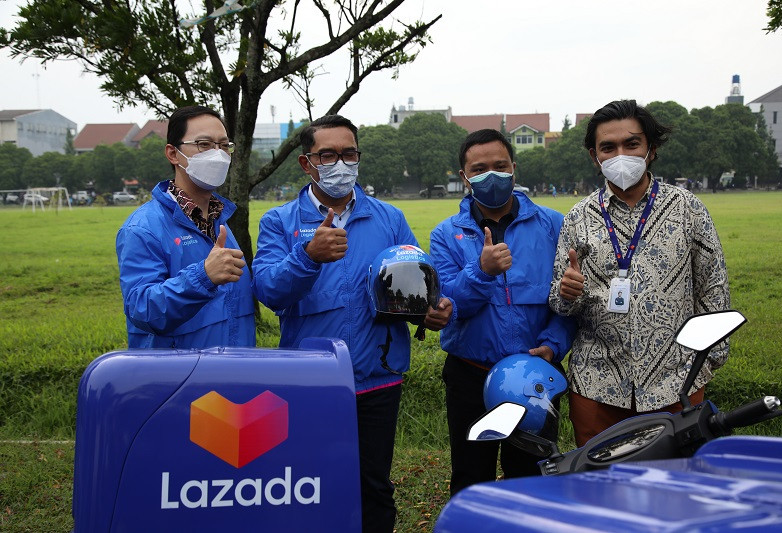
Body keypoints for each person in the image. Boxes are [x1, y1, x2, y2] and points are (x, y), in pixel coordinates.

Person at [251, 114, 453, 533]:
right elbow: (268, 291)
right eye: (328, 154)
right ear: (307, 163)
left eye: (348, 153)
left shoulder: (389, 218)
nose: (340, 163)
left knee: (373, 485)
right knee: (309, 484)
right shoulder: (280, 222)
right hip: (310, 383)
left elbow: (414, 282)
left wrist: (432, 310)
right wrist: (306, 256)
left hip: (377, 377)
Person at [549, 100, 731, 447]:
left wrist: (709, 359)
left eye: (631, 144)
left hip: (676, 382)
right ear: (594, 156)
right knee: (603, 488)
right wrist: (566, 292)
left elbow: (714, 286)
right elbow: (560, 304)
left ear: (650, 149)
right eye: (609, 147)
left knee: (672, 488)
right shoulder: (577, 218)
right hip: (597, 385)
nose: (621, 154)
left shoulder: (687, 209)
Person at [429, 129, 576, 496]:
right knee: (470, 476)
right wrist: (481, 272)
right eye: (479, 169)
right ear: (465, 177)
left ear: (514, 168)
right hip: (470, 375)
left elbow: (567, 301)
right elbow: (449, 305)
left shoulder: (553, 225)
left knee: (531, 477)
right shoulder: (446, 234)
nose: (491, 175)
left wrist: (553, 346)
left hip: (534, 374)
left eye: (499, 165)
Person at [116, 105, 255, 349]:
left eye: (224, 146)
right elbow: (142, 310)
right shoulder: (142, 228)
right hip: (180, 377)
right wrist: (203, 277)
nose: (218, 154)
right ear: (173, 154)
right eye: (204, 144)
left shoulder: (219, 218)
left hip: (234, 372)